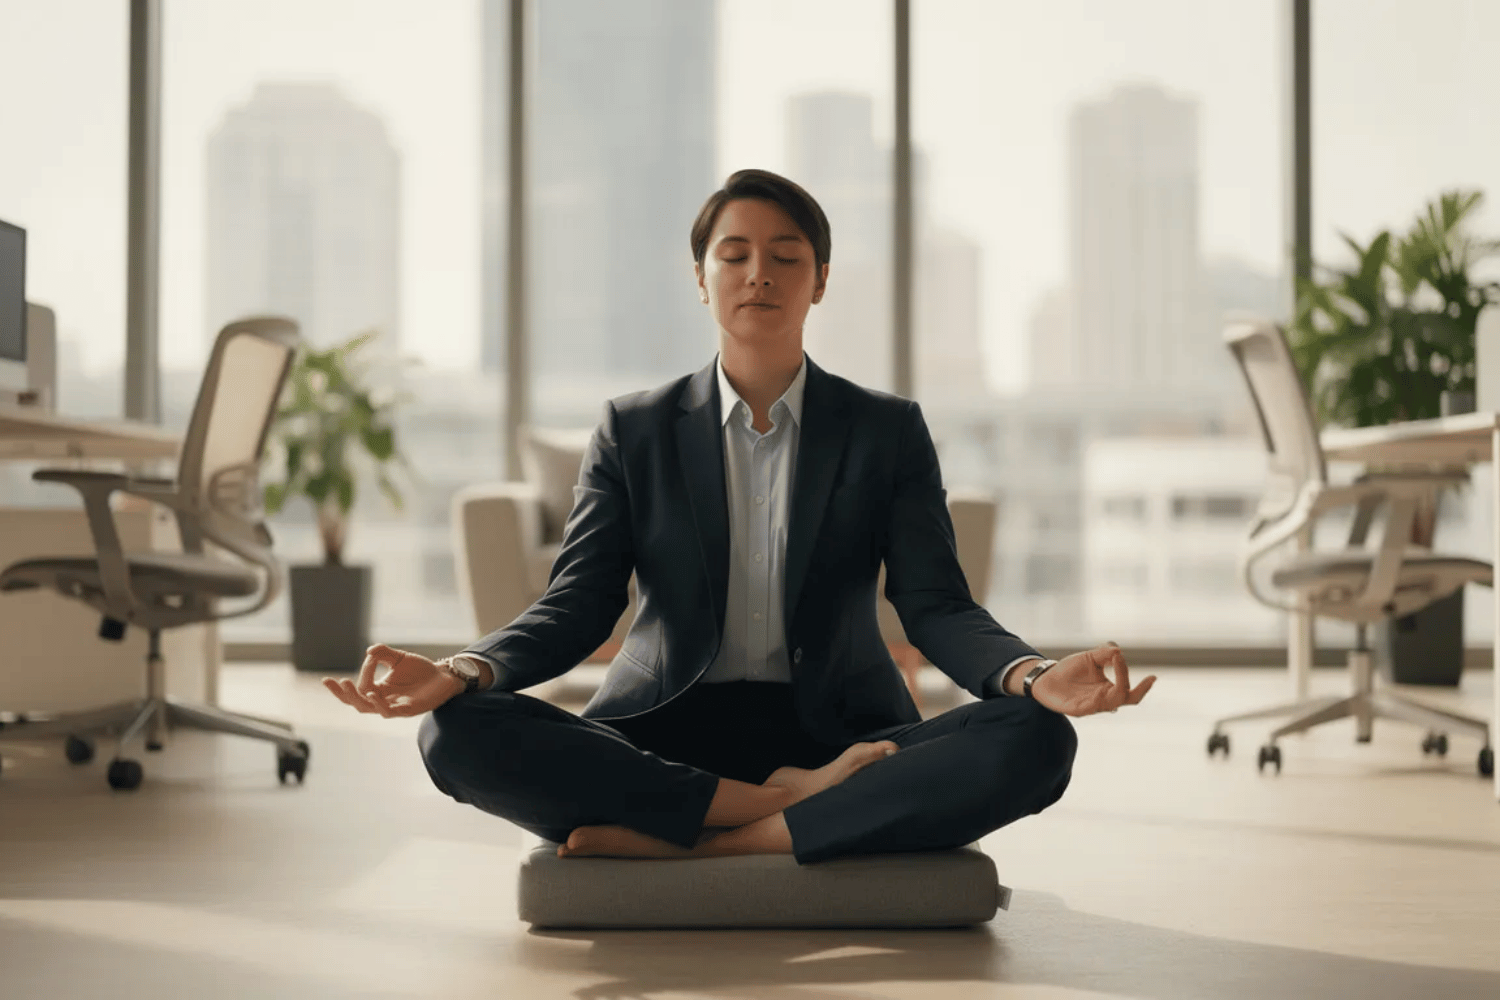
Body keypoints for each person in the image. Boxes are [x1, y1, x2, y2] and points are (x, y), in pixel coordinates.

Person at [325, 168, 1155, 864]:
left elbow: (936, 606)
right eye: (736, 254)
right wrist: (465, 670)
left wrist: (1036, 678)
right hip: (661, 736)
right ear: (703, 277)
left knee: (1038, 740)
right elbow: (576, 606)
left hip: (844, 741)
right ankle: (769, 810)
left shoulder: (885, 429)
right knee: (454, 734)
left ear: (819, 280)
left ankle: (727, 841)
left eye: (786, 256)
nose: (760, 272)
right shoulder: (633, 429)